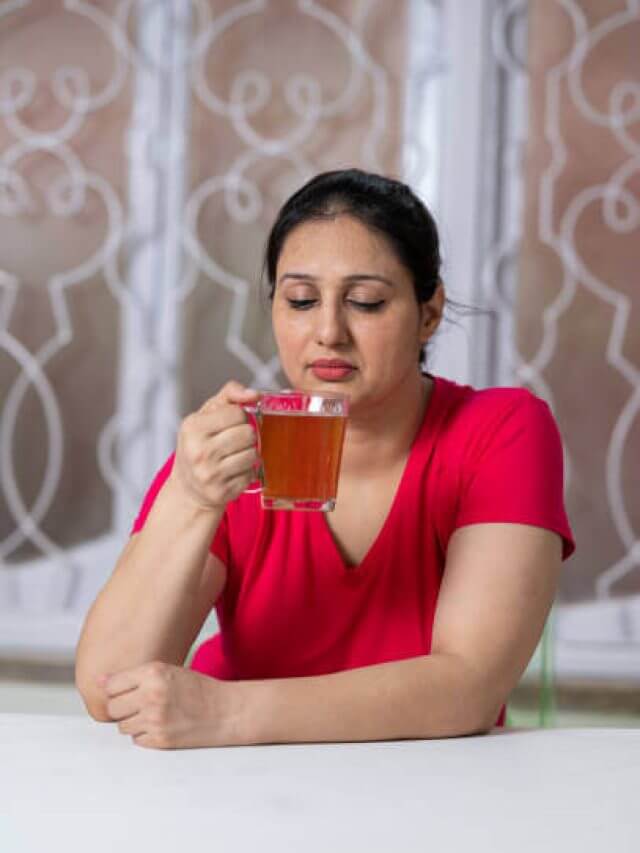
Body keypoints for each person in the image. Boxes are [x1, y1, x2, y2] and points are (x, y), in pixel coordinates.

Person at [75, 169, 575, 750]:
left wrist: (228, 714)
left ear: (429, 313)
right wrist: (190, 495)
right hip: (238, 785)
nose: (328, 331)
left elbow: (470, 685)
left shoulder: (500, 430)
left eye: (365, 302)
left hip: (428, 793)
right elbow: (106, 686)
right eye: (302, 300)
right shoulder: (229, 451)